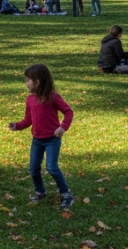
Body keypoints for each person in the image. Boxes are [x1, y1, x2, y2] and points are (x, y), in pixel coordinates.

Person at [8, 64, 75, 209]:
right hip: (37, 140)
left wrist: (63, 127)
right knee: (33, 169)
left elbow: (68, 112)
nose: (26, 83)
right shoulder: (30, 100)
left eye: (28, 80)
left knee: (51, 167)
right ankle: (40, 192)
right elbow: (28, 120)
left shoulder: (53, 97)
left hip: (52, 139)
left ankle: (66, 194)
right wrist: (17, 125)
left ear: (37, 82)